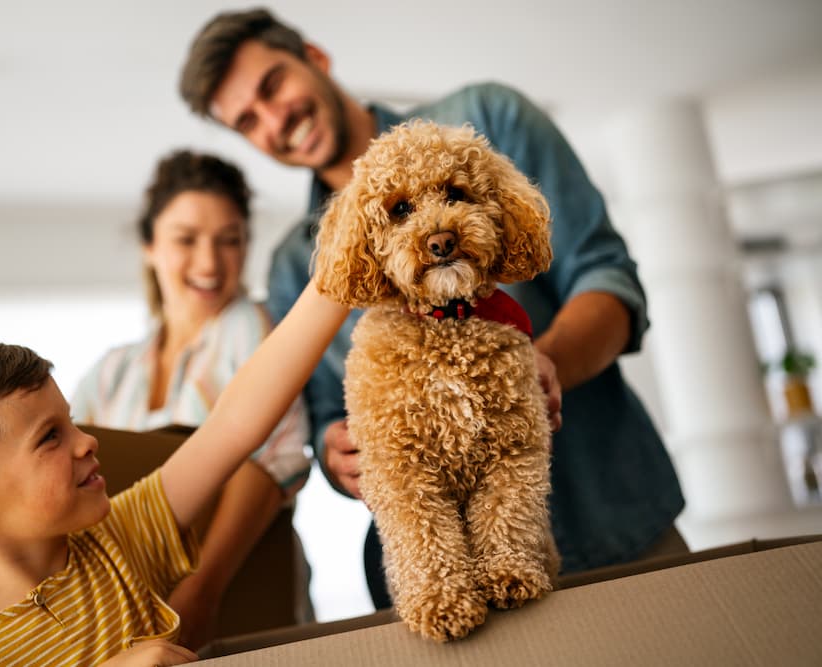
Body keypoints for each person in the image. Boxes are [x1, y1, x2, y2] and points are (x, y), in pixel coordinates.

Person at [178, 7, 687, 609]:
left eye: (272, 85)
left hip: (613, 516)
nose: (274, 119)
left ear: (314, 57)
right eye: (247, 120)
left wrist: (537, 366)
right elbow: (320, 419)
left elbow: (608, 277)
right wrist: (340, 450)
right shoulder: (298, 264)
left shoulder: (489, 120)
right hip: (448, 575)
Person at [0, 282, 348, 666]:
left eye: (73, 423)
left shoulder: (116, 543)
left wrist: (335, 278)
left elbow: (235, 425)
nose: (87, 442)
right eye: (50, 437)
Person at [71, 149, 312, 648]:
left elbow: (272, 460)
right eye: (186, 239)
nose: (209, 262)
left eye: (230, 241)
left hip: (237, 590)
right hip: (127, 611)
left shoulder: (258, 333)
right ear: (149, 245)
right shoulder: (111, 372)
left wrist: (201, 592)